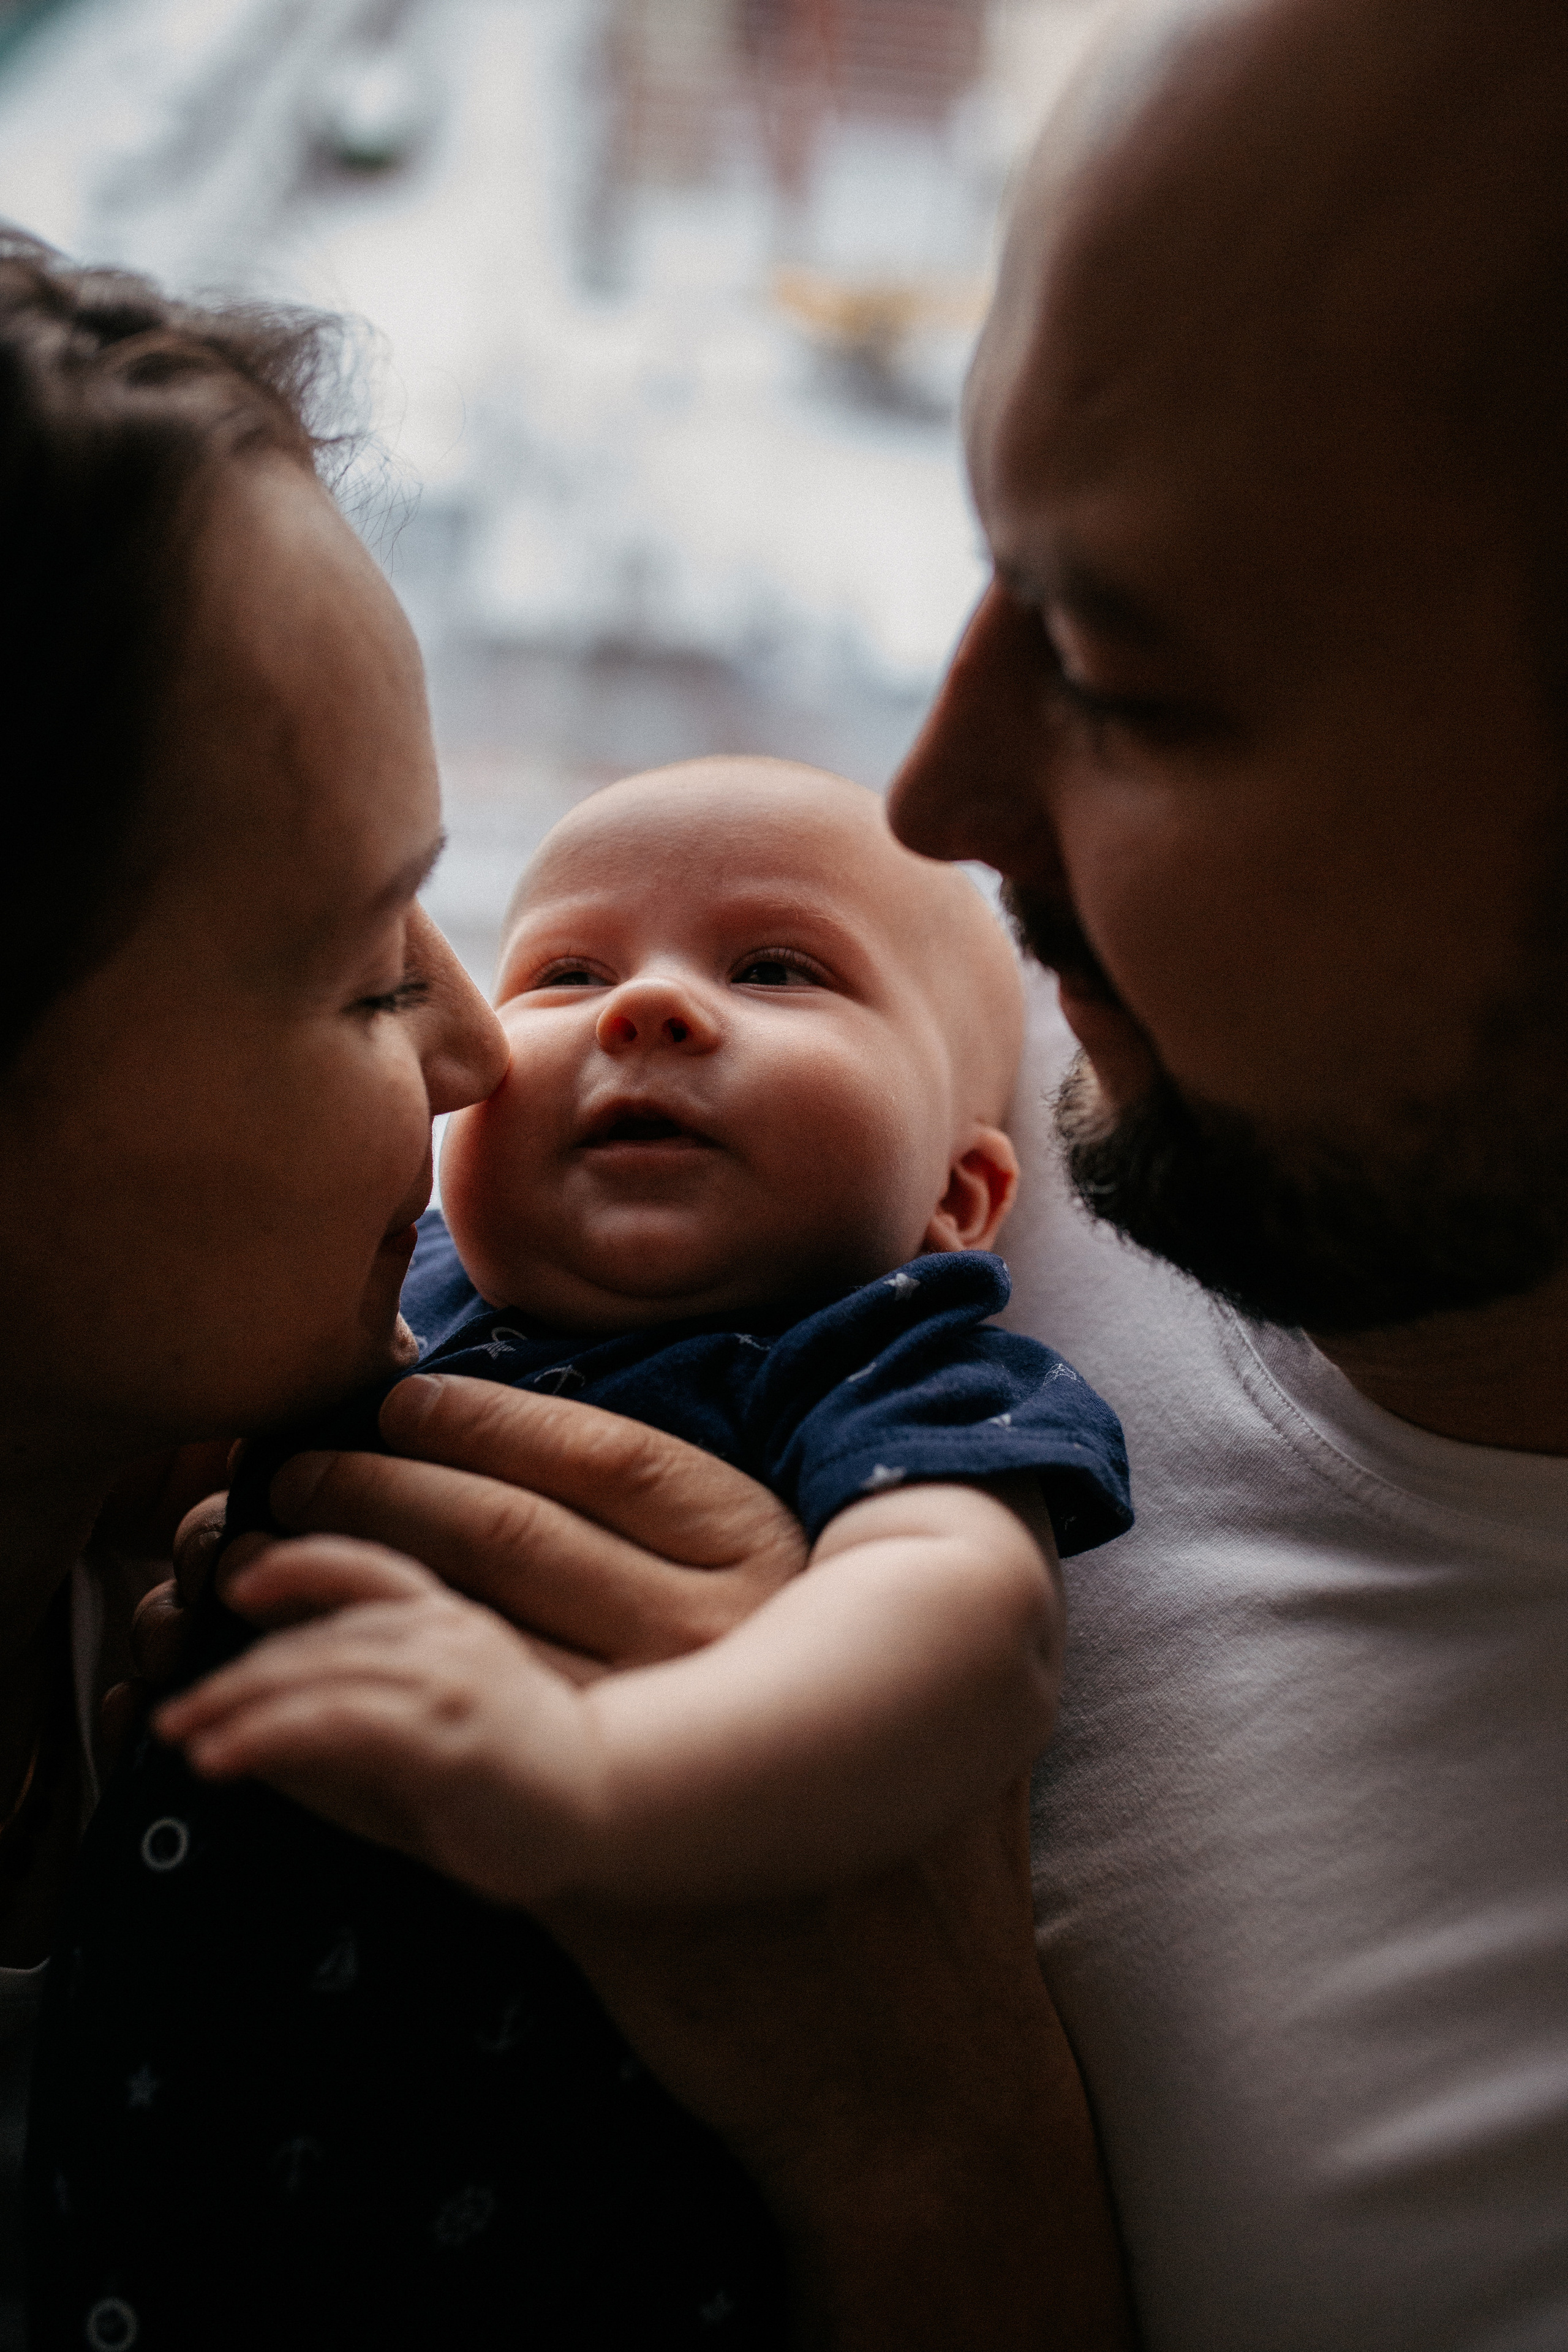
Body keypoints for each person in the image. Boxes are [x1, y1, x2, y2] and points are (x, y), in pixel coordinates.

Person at [135, 0, 1568, 2343]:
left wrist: (934, 2151)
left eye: (1131, 679)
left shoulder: (909, 1226)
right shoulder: (1045, 1025)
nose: (935, 808)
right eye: (991, 568)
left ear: (961, 1197)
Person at [0, 229, 1126, 2352]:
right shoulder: (324, 1358)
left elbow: (970, 1632)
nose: (485, 1050)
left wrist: (620, 1798)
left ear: (965, 1189)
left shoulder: (873, 1359)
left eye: (776, 972)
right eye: (366, 962)